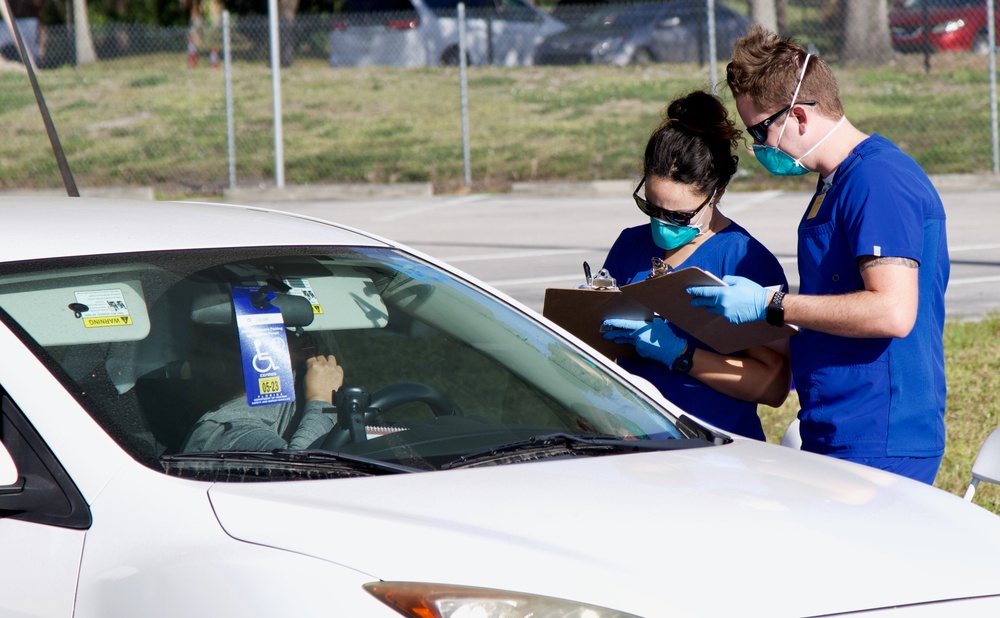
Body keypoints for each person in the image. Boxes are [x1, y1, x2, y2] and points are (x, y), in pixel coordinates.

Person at [686, 25, 949, 484]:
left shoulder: (877, 180)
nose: (760, 148)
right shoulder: (834, 184)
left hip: (879, 433)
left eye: (760, 131)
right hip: (836, 423)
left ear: (800, 117)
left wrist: (771, 305)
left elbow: (892, 311)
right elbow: (831, 313)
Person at [600, 90, 791, 441]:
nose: (662, 223)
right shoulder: (630, 244)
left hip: (715, 450)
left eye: (678, 215)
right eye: (652, 208)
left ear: (716, 192)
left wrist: (680, 355)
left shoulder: (746, 259)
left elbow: (773, 384)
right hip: (635, 445)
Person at [181, 326, 345, 452]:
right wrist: (320, 399)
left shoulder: (285, 401)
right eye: (284, 329)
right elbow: (298, 472)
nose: (305, 336)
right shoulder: (228, 430)